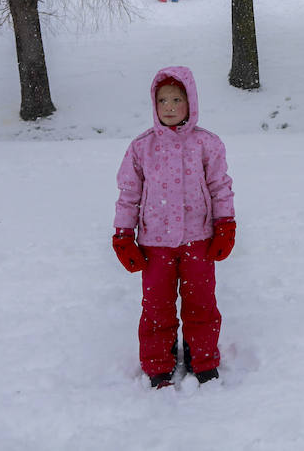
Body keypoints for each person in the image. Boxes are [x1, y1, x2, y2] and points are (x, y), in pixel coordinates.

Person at [112, 67, 235, 389]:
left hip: (199, 241)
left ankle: (203, 359)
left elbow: (220, 187)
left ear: (190, 102)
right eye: (162, 100)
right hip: (155, 244)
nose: (169, 106)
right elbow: (129, 196)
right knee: (157, 307)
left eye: (177, 99)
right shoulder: (142, 147)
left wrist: (225, 225)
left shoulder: (207, 144)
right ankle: (158, 364)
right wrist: (123, 236)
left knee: (202, 304)